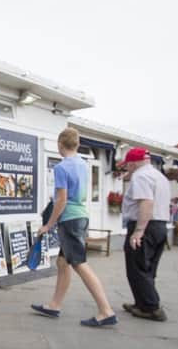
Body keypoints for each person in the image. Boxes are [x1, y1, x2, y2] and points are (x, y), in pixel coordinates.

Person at [32, 128, 117, 327]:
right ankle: (54, 305)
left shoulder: (62, 167)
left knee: (79, 263)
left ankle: (106, 311)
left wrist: (48, 225)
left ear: (60, 144)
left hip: (69, 219)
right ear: (77, 145)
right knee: (63, 263)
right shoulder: (82, 164)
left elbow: (61, 200)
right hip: (80, 217)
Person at [119, 148, 171, 322]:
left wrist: (139, 231)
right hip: (160, 225)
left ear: (133, 163)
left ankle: (151, 308)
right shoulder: (159, 176)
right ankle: (142, 303)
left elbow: (146, 202)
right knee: (149, 268)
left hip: (145, 226)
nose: (127, 168)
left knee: (137, 268)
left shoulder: (140, 176)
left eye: (127, 165)